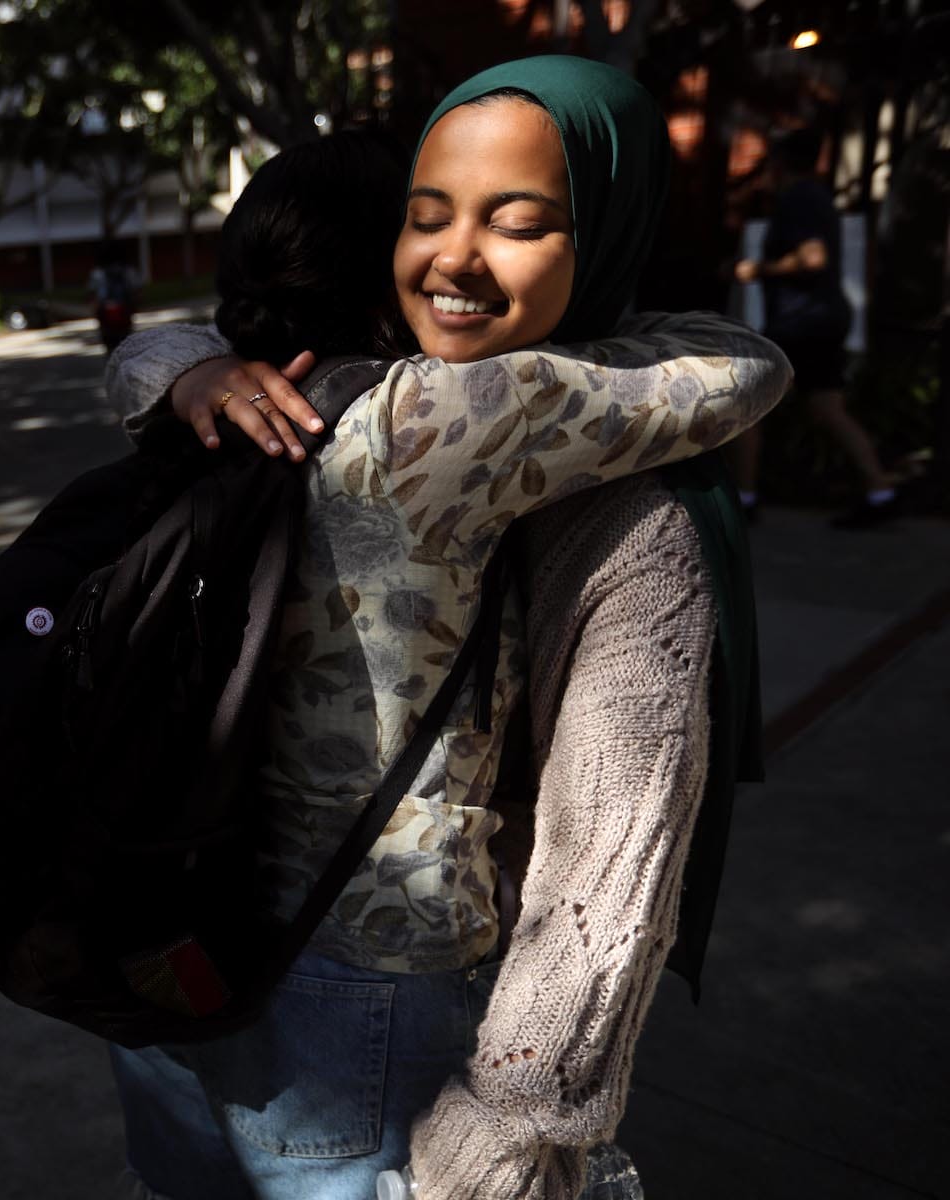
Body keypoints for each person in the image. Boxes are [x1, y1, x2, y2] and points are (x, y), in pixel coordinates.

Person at [104, 57, 786, 1199]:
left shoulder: (223, 415)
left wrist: (193, 367)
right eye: (426, 218)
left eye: (513, 220)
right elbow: (737, 366)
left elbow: (130, 356)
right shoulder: (443, 423)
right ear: (380, 260)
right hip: (361, 975)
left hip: (169, 933)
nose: (454, 258)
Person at [731, 127, 899, 527]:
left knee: (749, 405)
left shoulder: (799, 199)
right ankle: (880, 490)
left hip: (799, 322)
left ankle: (744, 500)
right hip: (821, 319)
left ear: (781, 162)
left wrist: (758, 269)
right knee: (828, 407)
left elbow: (813, 258)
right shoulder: (819, 198)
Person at [91, 241, 142, 352]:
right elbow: (136, 291)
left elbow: (94, 295)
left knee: (109, 346)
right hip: (124, 311)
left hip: (105, 314)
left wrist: (96, 311)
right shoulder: (128, 271)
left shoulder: (98, 273)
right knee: (126, 343)